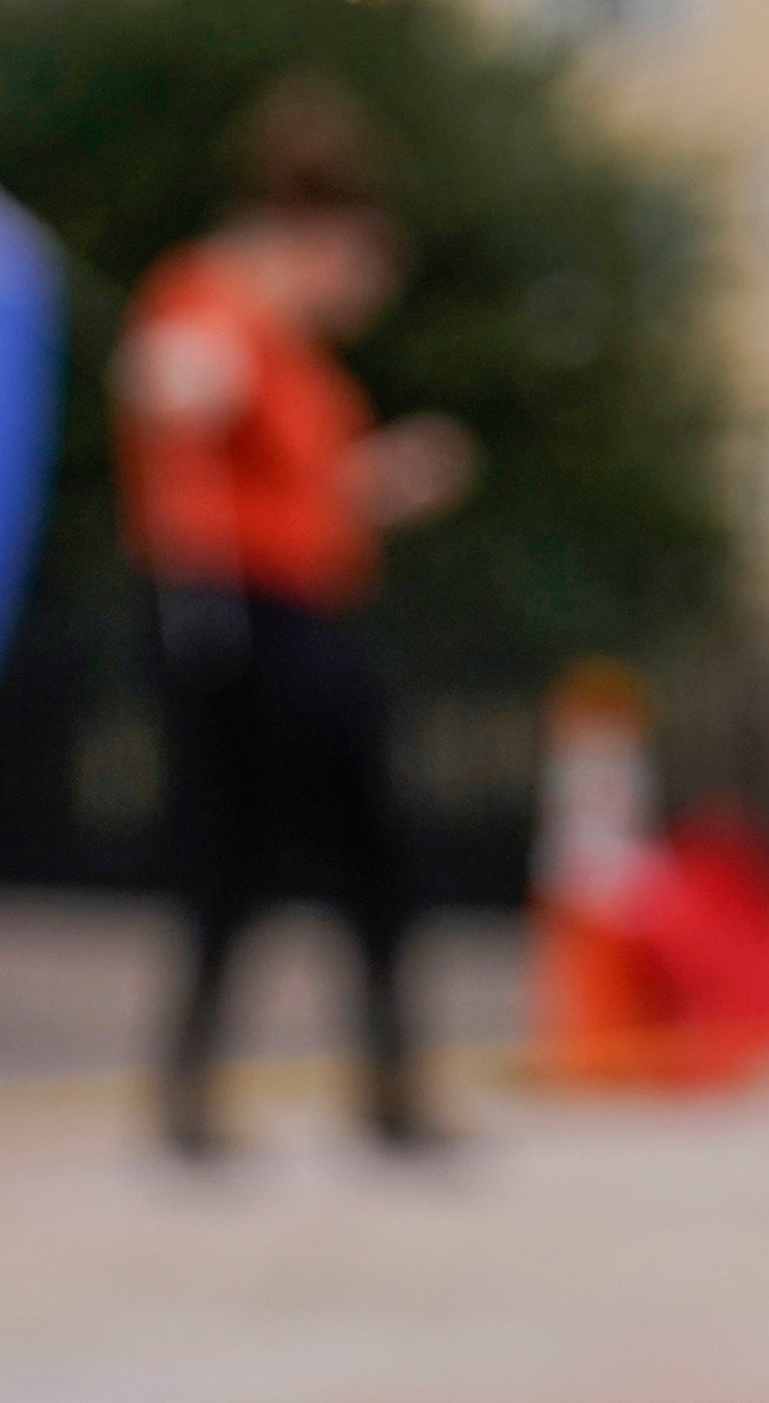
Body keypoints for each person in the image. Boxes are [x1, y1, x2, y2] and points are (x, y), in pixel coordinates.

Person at [117, 80, 474, 1163]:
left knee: (369, 852)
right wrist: (182, 385)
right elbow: (167, 412)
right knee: (235, 856)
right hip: (240, 621)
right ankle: (194, 1093)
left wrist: (386, 479)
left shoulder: (303, 363)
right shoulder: (214, 299)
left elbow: (305, 493)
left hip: (309, 607)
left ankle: (388, 1084)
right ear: (324, 241)